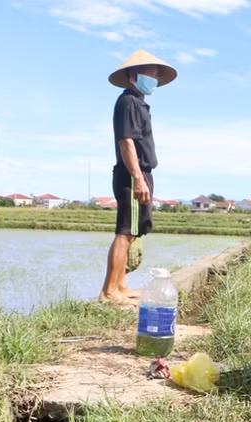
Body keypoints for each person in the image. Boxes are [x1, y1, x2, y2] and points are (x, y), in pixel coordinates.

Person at [99, 49, 177, 304]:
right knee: (124, 231)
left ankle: (120, 284)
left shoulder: (138, 102)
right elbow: (127, 142)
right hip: (132, 173)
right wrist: (138, 178)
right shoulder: (129, 102)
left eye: (156, 74)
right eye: (151, 72)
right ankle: (109, 291)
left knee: (132, 231)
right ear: (134, 74)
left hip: (141, 172)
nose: (154, 77)